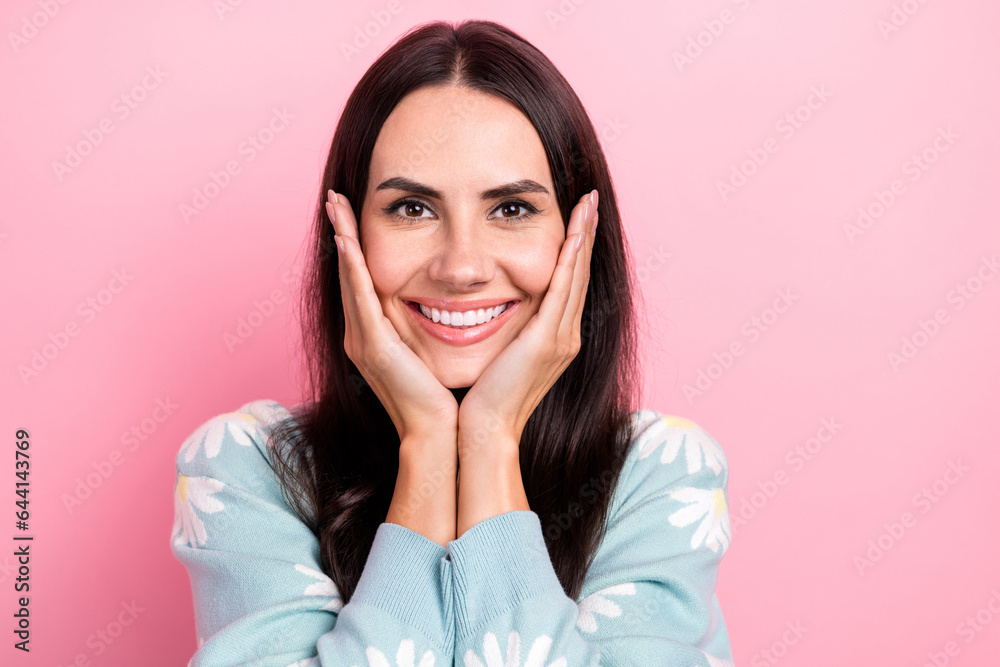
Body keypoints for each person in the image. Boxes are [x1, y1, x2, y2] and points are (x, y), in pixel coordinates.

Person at [171, 19, 734, 667]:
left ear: (577, 236)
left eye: (512, 209)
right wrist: (428, 446)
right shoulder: (247, 470)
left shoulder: (661, 476)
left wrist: (490, 436)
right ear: (345, 234)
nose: (461, 266)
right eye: (412, 208)